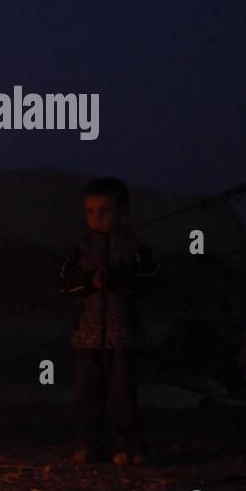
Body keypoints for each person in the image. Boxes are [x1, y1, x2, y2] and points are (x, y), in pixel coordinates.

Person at [60, 177, 159, 465]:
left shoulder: (136, 247)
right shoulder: (81, 249)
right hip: (87, 337)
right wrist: (90, 281)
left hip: (123, 335)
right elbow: (64, 282)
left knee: (124, 394)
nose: (96, 218)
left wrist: (119, 278)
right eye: (90, 211)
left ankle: (130, 445)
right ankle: (90, 443)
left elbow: (152, 280)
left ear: (123, 213)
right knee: (87, 394)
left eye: (104, 211)